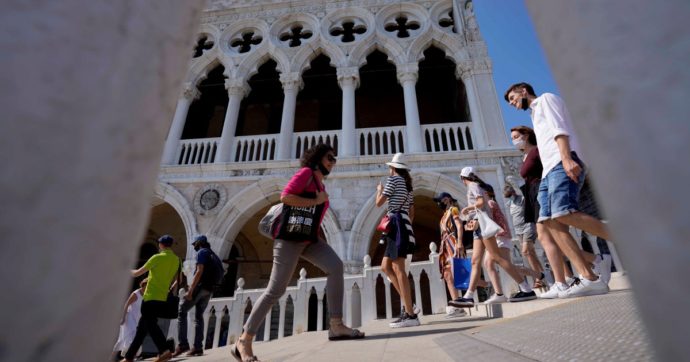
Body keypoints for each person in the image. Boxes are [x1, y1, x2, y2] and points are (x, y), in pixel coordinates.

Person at [232, 144, 363, 362]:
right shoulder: (305, 174)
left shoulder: (320, 182)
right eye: (330, 157)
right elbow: (286, 197)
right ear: (318, 159)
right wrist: (315, 201)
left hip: (309, 239)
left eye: (334, 159)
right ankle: (244, 341)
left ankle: (336, 325)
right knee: (276, 289)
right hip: (290, 239)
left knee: (336, 266)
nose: (333, 162)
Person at [505, 83, 610, 298]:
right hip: (548, 173)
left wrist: (566, 158)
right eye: (511, 103)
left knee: (563, 212)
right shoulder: (534, 113)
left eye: (514, 99)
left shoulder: (545, 100)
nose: (514, 105)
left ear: (523, 90)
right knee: (551, 223)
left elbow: (559, 130)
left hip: (561, 164)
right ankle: (589, 278)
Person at [449, 167, 536, 308]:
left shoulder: (473, 185)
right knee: (475, 261)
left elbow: (480, 203)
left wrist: (467, 209)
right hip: (478, 227)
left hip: (482, 225)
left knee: (497, 258)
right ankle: (469, 296)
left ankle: (526, 288)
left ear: (462, 178)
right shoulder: (477, 185)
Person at [375, 152, 421, 328]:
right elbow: (412, 213)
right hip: (402, 223)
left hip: (395, 223)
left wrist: (379, 191)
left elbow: (379, 203)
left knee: (398, 268)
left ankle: (410, 314)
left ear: (393, 168)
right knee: (385, 267)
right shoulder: (408, 186)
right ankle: (410, 306)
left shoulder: (393, 181)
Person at [121, 235, 180, 362]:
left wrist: (126, 270)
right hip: (162, 298)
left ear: (161, 244)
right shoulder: (176, 260)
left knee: (151, 325)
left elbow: (137, 273)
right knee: (142, 328)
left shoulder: (157, 257)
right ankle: (129, 357)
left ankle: (164, 350)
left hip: (150, 296)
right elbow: (176, 279)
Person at [483, 187, 540, 304]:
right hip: (496, 238)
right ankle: (499, 293)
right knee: (490, 264)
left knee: (506, 264)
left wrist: (469, 211)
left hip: (500, 236)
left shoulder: (490, 203)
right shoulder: (492, 203)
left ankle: (528, 286)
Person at [173, 235, 223, 357]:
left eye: (194, 244)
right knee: (199, 316)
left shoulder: (201, 252)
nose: (193, 246)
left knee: (182, 311)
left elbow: (199, 271)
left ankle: (183, 344)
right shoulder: (214, 255)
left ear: (199, 243)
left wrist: (190, 291)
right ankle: (198, 348)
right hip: (210, 289)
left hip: (200, 287)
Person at [503, 184, 547, 288]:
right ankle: (541, 277)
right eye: (507, 196)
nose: (509, 198)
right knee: (531, 253)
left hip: (528, 227)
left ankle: (538, 277)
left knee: (525, 251)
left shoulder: (523, 199)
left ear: (513, 192)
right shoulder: (509, 204)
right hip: (518, 231)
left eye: (510, 195)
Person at [434, 192, 468, 318]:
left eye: (440, 200)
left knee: (460, 273)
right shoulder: (444, 215)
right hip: (446, 247)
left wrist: (459, 243)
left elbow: (459, 226)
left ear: (447, 200)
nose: (439, 203)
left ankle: (487, 285)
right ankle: (458, 307)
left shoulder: (453, 210)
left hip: (453, 244)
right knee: (448, 275)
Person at [113, 279, 147, 360]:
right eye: (147, 286)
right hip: (129, 319)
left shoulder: (147, 294)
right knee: (128, 339)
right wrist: (123, 317)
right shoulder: (136, 294)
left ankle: (130, 357)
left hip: (138, 319)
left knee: (129, 339)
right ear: (143, 285)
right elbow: (126, 304)